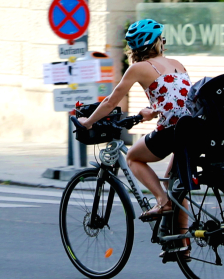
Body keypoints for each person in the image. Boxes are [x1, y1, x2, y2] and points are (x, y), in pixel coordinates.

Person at [75, 18, 195, 245]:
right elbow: (177, 98)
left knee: (132, 157)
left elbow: (111, 102)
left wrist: (88, 122)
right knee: (173, 182)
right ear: (158, 42)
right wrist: (150, 111)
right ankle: (182, 246)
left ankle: (161, 201)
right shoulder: (177, 63)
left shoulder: (139, 68)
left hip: (172, 130)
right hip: (191, 129)